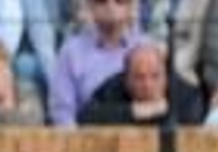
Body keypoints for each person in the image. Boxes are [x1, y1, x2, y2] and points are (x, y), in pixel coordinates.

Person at [47, 0, 145, 124]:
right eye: (101, 0)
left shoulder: (146, 48)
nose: (110, 6)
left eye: (119, 0)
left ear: (129, 7)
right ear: (90, 5)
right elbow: (62, 111)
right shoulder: (71, 51)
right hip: (86, 135)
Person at [77, 38, 206, 125]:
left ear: (166, 76)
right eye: (139, 77)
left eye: (155, 76)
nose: (147, 85)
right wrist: (133, 112)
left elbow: (193, 117)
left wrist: (160, 112)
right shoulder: (114, 86)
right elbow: (85, 116)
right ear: (127, 79)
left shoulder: (182, 91)